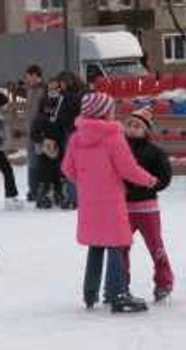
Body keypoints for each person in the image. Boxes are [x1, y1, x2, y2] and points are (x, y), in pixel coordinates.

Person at [62, 92, 157, 313]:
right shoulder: (113, 137)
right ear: (104, 112)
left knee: (96, 244)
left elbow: (67, 169)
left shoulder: (76, 138)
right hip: (111, 201)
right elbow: (128, 169)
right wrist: (149, 180)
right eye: (110, 109)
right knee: (116, 245)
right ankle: (118, 294)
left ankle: (90, 293)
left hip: (89, 201)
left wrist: (86, 182)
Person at [124, 108, 174, 302]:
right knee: (121, 248)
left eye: (137, 126)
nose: (132, 129)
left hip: (147, 208)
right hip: (124, 208)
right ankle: (121, 283)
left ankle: (164, 282)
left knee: (156, 246)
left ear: (146, 131)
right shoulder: (119, 149)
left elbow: (164, 178)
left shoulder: (156, 153)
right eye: (129, 124)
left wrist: (147, 185)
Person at [57, 71, 86, 210]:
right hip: (81, 132)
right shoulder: (84, 93)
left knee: (70, 166)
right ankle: (78, 196)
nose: (60, 85)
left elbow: (64, 116)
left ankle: (73, 197)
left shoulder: (69, 97)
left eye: (61, 82)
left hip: (72, 132)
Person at [30, 95, 65, 209]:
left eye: (52, 107)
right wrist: (44, 140)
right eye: (48, 107)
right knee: (46, 173)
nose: (50, 109)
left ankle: (57, 194)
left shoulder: (56, 118)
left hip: (55, 149)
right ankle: (44, 196)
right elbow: (34, 135)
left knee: (55, 173)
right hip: (44, 150)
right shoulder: (40, 119)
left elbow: (60, 132)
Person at [23, 65, 46, 201]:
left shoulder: (43, 90)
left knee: (40, 161)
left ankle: (41, 189)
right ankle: (33, 189)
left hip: (40, 132)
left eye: (28, 76)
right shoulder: (30, 90)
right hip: (30, 132)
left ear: (35, 75)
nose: (26, 79)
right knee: (32, 161)